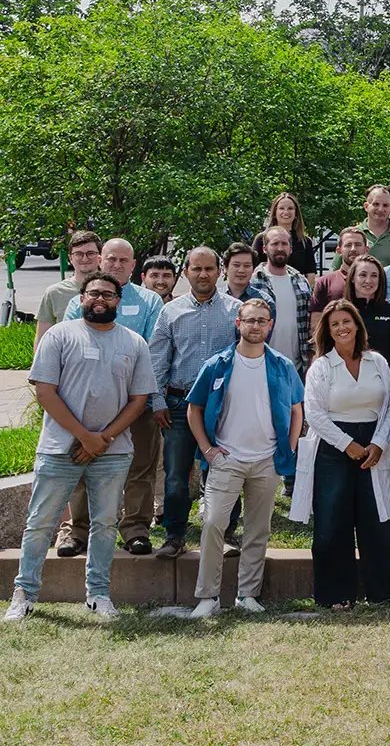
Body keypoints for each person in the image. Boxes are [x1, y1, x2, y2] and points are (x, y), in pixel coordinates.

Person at [7, 274, 155, 623]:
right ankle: (24, 594)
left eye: (107, 294)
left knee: (105, 524)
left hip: (113, 452)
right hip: (60, 449)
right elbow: (45, 392)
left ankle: (98, 594)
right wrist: (84, 436)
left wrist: (101, 439)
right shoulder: (60, 335)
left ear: (119, 299)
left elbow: (139, 400)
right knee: (40, 523)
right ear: (82, 297)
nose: (100, 299)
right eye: (93, 293)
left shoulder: (134, 343)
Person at [184, 298, 305, 618]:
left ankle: (247, 594)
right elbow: (193, 409)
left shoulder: (282, 365)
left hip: (267, 460)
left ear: (270, 325)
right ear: (238, 324)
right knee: (212, 523)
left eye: (262, 320)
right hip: (226, 459)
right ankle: (207, 597)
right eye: (249, 320)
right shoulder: (218, 364)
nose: (255, 326)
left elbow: (296, 410)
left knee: (258, 528)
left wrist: (289, 448)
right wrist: (208, 450)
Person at [56, 239, 163, 560]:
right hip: (87, 402)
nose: (117, 264)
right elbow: (68, 345)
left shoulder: (149, 300)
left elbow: (153, 351)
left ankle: (136, 529)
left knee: (141, 468)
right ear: (102, 261)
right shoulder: (82, 300)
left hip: (137, 401)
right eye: (111, 259)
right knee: (80, 463)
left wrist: (152, 400)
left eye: (124, 260)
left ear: (134, 265)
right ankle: (77, 532)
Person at [298, 300, 390, 610]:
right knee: (332, 520)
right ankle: (336, 595)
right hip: (333, 448)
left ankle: (383, 592)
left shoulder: (377, 361)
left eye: (347, 321)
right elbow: (314, 414)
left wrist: (379, 443)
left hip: (374, 446)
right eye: (334, 324)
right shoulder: (321, 366)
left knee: (378, 518)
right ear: (327, 332)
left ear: (357, 325)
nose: (342, 328)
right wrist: (347, 445)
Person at [146, 248, 242, 560]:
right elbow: (157, 361)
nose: (203, 274)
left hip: (223, 405)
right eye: (196, 269)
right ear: (185, 272)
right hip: (177, 404)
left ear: (220, 271)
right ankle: (175, 536)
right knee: (176, 473)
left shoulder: (235, 311)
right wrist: (157, 400)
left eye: (209, 269)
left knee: (223, 469)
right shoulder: (170, 312)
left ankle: (224, 535)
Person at [250, 226, 312, 369]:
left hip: (296, 366)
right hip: (262, 364)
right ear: (264, 249)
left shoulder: (301, 281)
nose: (280, 248)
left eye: (284, 244)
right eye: (275, 244)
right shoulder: (253, 281)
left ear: (290, 249)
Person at [34, 231, 102, 346]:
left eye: (90, 253)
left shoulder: (111, 291)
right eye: (78, 254)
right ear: (70, 258)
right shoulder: (55, 293)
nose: (84, 258)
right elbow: (42, 337)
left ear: (100, 257)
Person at [346, 254, 390, 367]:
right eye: (363, 275)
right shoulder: (341, 311)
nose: (368, 280)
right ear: (352, 278)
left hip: (385, 378)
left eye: (374, 275)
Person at [251, 192, 319, 280]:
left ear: (296, 214)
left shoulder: (305, 241)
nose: (286, 212)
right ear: (275, 213)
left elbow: (310, 275)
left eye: (290, 208)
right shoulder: (261, 239)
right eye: (281, 208)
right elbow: (252, 269)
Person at [308, 226, 365, 324]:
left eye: (358, 244)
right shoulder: (325, 282)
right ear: (338, 250)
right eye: (348, 245)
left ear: (366, 249)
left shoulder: (374, 281)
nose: (353, 249)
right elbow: (315, 323)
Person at [336, 184, 390, 267]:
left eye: (385, 205)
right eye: (376, 204)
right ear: (366, 206)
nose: (380, 209)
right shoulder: (352, 235)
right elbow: (336, 271)